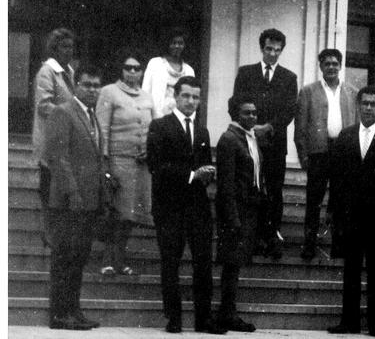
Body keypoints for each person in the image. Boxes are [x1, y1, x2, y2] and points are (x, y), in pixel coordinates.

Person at [146, 76, 223, 334]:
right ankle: (174, 318)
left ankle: (204, 318)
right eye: (186, 96)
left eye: (196, 97)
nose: (191, 102)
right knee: (171, 261)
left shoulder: (202, 131)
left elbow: (203, 163)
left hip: (197, 206)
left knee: (203, 262)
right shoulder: (160, 126)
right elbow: (156, 166)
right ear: (176, 97)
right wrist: (192, 175)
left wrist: (208, 172)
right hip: (170, 206)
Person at [327, 86, 375, 337]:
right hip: (350, 215)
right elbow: (336, 178)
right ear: (358, 106)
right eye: (365, 103)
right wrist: (333, 210)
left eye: (373, 104)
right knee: (350, 269)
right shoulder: (345, 135)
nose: (369, 108)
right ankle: (349, 321)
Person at [43, 63, 106, 330]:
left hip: (88, 201)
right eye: (87, 84)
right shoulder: (63, 112)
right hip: (69, 201)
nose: (92, 90)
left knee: (78, 259)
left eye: (96, 85)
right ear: (76, 86)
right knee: (64, 258)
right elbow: (58, 158)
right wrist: (73, 193)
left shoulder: (92, 116)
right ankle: (59, 314)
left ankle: (73, 310)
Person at [232, 28, 298, 260]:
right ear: (262, 48)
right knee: (250, 188)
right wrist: (250, 127)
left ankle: (272, 236)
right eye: (269, 49)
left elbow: (289, 111)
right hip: (247, 143)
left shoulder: (289, 78)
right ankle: (250, 238)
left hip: (274, 144)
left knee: (274, 190)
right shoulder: (246, 73)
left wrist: (268, 127)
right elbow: (234, 103)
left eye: (277, 51)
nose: (272, 54)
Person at [96, 48, 155, 276]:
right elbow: (102, 128)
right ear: (121, 70)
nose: (132, 71)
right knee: (116, 212)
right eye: (127, 67)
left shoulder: (147, 96)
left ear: (141, 72)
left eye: (137, 68)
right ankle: (108, 259)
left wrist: (150, 149)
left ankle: (121, 259)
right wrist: (105, 162)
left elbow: (155, 129)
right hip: (118, 162)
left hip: (140, 166)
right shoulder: (109, 92)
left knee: (130, 216)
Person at [294, 48, 358, 260]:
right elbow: (300, 126)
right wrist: (303, 154)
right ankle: (309, 244)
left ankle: (338, 245)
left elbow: (357, 126)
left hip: (343, 152)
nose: (331, 67)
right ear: (320, 66)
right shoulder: (308, 91)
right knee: (314, 200)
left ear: (340, 66)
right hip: (319, 152)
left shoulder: (352, 92)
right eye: (327, 63)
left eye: (335, 63)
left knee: (341, 199)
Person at [214, 95, 265, 333]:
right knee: (231, 265)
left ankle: (228, 312)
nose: (252, 117)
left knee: (236, 264)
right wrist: (233, 218)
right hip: (234, 212)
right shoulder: (229, 139)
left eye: (254, 113)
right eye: (247, 113)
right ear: (236, 115)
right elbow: (226, 184)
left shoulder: (250, 138)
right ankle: (227, 314)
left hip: (248, 210)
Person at [32, 27, 76, 247]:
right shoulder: (47, 71)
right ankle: (48, 233)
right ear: (54, 48)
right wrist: (69, 113)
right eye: (63, 46)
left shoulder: (68, 71)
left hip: (65, 140)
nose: (68, 51)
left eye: (71, 46)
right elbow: (43, 105)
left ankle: (56, 232)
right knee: (48, 186)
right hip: (50, 139)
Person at [142, 27, 195, 118]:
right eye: (173, 43)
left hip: (181, 119)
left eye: (180, 43)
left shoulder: (189, 70)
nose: (177, 46)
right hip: (158, 118)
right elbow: (145, 94)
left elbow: (193, 99)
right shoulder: (155, 63)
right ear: (167, 44)